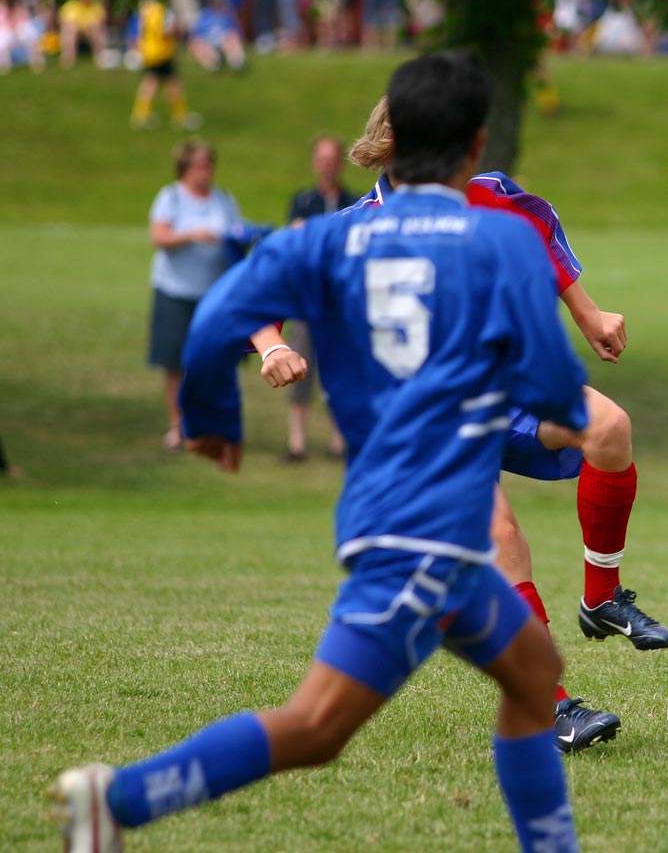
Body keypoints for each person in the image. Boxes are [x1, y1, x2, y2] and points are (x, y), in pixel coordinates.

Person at [51, 51, 587, 853]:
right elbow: (556, 392)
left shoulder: (330, 238)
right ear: (476, 148)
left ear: (391, 144)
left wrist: (210, 419)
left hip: (420, 535)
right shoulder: (504, 243)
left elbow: (213, 323)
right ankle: (116, 800)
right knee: (316, 727)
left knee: (535, 677)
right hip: (422, 542)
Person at [348, 95, 668, 752]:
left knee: (608, 427)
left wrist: (586, 313)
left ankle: (601, 598)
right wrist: (274, 346)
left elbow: (539, 237)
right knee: (502, 535)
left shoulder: (486, 194)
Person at [148, 140, 295, 451]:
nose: (206, 171)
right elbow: (158, 236)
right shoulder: (171, 197)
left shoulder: (223, 199)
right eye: (199, 165)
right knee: (175, 362)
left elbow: (236, 230)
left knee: (216, 361)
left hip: (215, 294)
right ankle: (179, 426)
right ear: (185, 167)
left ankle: (211, 427)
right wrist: (192, 235)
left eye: (209, 164)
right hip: (176, 291)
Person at [281, 135, 358, 461]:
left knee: (340, 370)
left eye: (332, 159)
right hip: (309, 298)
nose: (327, 166)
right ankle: (296, 442)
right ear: (315, 163)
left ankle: (339, 440)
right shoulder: (304, 201)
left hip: (341, 301)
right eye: (322, 159)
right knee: (301, 365)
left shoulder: (352, 201)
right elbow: (295, 242)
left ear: (339, 164)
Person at [128, 0, 199, 131]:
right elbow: (166, 31)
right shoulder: (163, 12)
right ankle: (179, 116)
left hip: (149, 52)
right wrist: (178, 32)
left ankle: (142, 115)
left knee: (155, 82)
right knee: (170, 83)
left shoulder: (144, 9)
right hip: (162, 53)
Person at [58, 0, 108, 69]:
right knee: (70, 31)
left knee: (97, 30)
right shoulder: (70, 6)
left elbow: (101, 23)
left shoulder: (96, 7)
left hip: (90, 31)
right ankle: (69, 58)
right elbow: (63, 21)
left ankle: (99, 58)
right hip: (75, 31)